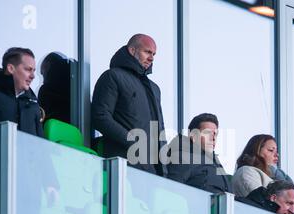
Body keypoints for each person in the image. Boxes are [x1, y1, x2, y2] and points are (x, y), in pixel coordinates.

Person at [91, 34, 166, 176]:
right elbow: (100, 117)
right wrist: (133, 142)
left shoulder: (154, 89)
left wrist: (164, 168)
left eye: (154, 54)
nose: (151, 58)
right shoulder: (112, 76)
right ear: (132, 51)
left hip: (151, 170)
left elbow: (159, 129)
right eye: (147, 52)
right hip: (122, 163)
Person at [166, 113, 232, 193]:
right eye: (208, 133)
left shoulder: (215, 162)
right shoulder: (182, 157)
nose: (213, 138)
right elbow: (171, 191)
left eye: (215, 134)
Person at [38, 52, 71, 124]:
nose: (43, 81)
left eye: (43, 73)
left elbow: (42, 120)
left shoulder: (46, 90)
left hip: (56, 132)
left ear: (48, 66)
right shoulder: (78, 88)